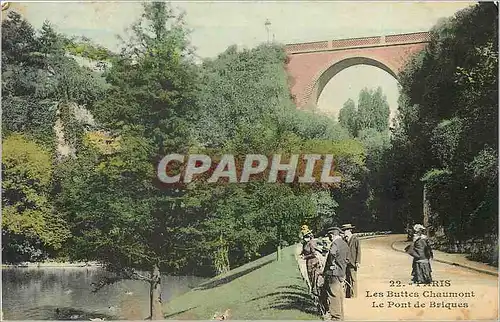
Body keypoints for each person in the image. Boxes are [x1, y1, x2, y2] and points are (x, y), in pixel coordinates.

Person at [319, 227, 349, 321]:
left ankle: (336, 317)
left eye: (329, 236)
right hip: (341, 272)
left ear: (332, 235)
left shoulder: (335, 243)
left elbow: (332, 253)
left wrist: (332, 264)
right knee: (339, 295)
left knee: (333, 294)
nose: (329, 238)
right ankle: (340, 316)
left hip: (333, 273)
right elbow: (348, 259)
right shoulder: (344, 243)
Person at [341, 223, 360, 298]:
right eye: (343, 231)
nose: (344, 232)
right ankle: (348, 294)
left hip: (353, 262)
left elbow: (358, 251)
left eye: (345, 230)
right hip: (346, 262)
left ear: (349, 230)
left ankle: (354, 295)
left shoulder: (355, 239)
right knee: (347, 278)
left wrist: (357, 261)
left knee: (353, 279)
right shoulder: (344, 240)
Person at [300, 229, 321, 295]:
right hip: (308, 262)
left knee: (314, 277)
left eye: (306, 237)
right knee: (310, 277)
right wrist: (302, 254)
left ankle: (315, 291)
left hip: (313, 261)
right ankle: (312, 291)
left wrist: (305, 257)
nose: (305, 239)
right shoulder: (305, 243)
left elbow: (314, 254)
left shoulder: (311, 243)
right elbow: (304, 250)